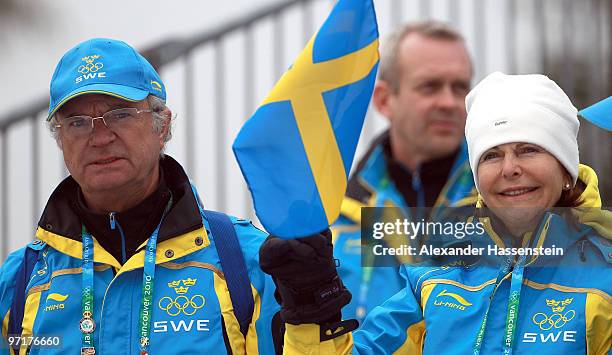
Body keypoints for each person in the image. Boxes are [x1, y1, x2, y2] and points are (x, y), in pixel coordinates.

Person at [261, 72, 612, 354]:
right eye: (491, 155)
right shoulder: (434, 277)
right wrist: (312, 312)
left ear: (567, 170)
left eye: (529, 149)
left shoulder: (604, 276)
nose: (509, 168)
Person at [0, 38, 283, 354]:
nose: (101, 137)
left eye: (120, 114)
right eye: (78, 122)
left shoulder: (246, 261)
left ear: (160, 125)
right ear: (61, 139)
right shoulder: (20, 281)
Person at [333, 20, 477, 321]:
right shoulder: (330, 220)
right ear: (385, 100)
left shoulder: (506, 206)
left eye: (460, 87)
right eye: (430, 86)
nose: (449, 102)